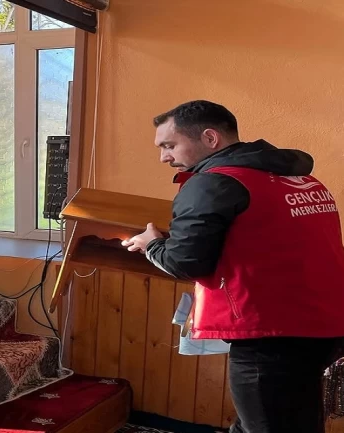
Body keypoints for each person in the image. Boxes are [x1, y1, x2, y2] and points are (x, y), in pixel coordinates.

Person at [122, 100, 344, 433]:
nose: (164, 157)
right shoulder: (301, 180)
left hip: (269, 334)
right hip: (324, 324)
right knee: (282, 419)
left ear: (210, 138)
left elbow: (185, 262)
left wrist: (151, 243)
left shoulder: (213, 182)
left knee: (268, 424)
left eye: (169, 145)